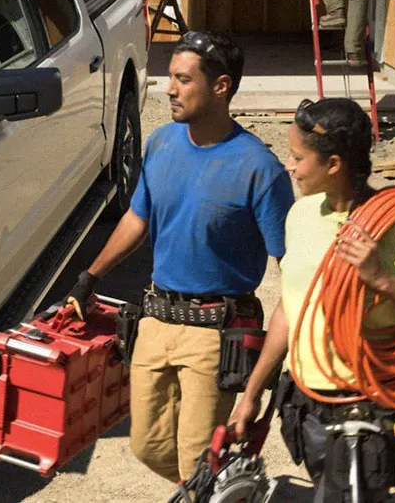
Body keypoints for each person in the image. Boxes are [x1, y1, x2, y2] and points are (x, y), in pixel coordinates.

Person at [68, 31, 294, 483]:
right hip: (155, 322)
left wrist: (267, 368)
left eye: (183, 80)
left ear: (221, 87)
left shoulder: (260, 170)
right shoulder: (161, 144)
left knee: (197, 458)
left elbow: (294, 271)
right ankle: (225, 490)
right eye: (170, 77)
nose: (169, 89)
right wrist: (90, 275)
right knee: (147, 446)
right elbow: (138, 218)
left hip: (216, 333)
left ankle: (215, 488)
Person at [230, 97, 395, 502]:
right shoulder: (301, 216)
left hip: (363, 410)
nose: (289, 166)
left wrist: (383, 280)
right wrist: (252, 393)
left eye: (298, 157)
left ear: (334, 164)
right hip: (307, 405)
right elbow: (293, 307)